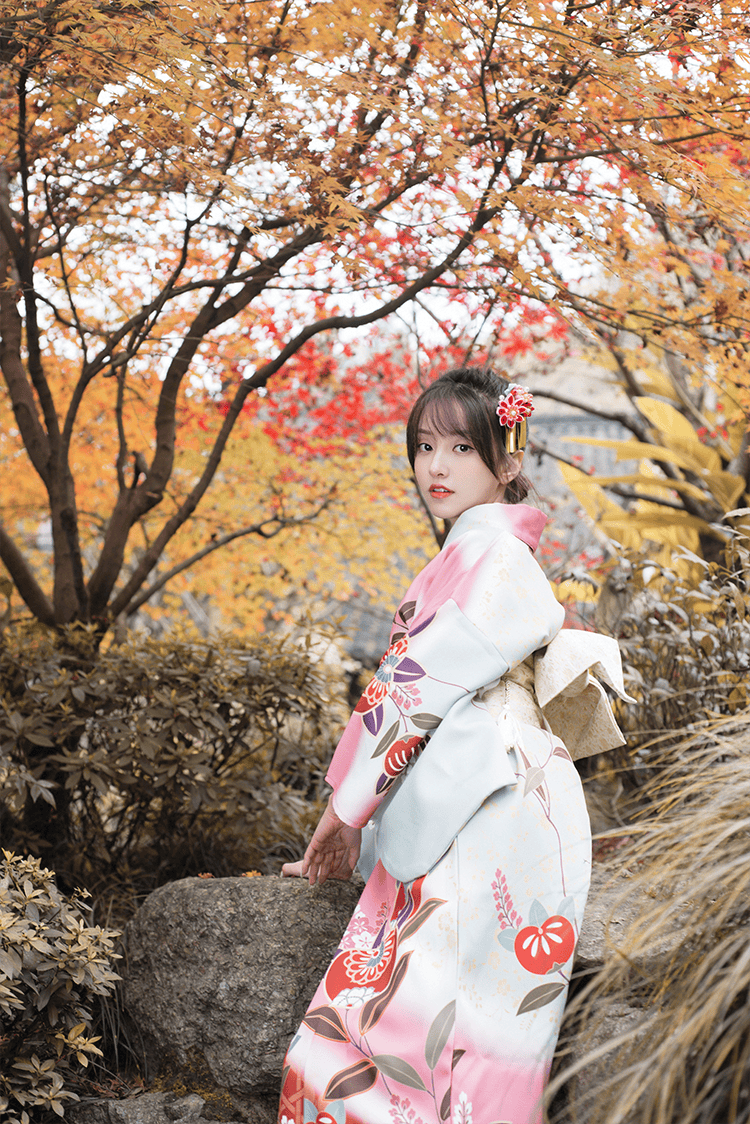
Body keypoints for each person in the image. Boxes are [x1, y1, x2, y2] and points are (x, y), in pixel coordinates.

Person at [279, 366, 631, 1124]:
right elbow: (412, 692)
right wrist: (358, 823)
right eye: (423, 446)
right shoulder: (481, 553)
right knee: (469, 1037)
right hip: (498, 795)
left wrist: (345, 813)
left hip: (498, 802)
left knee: (394, 1043)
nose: (435, 467)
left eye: (461, 447)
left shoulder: (490, 556)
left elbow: (412, 690)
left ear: (507, 461)